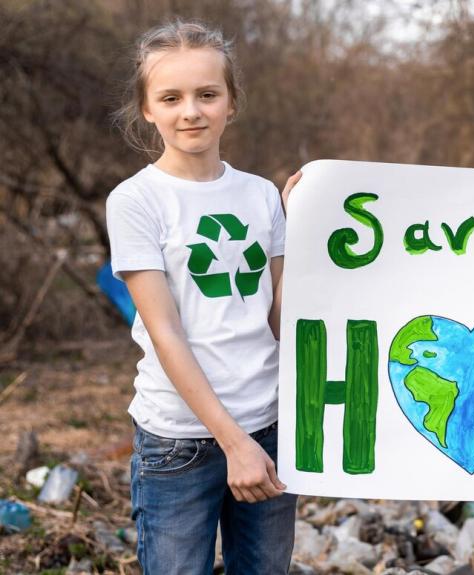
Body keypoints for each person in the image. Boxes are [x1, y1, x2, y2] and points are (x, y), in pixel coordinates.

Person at [107, 20, 302, 573]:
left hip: (269, 424)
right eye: (171, 98)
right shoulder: (136, 201)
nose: (190, 111)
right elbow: (166, 334)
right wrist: (233, 442)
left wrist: (303, 230)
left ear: (231, 103)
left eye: (207, 95)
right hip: (179, 441)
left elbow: (279, 321)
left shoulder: (261, 195)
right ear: (147, 109)